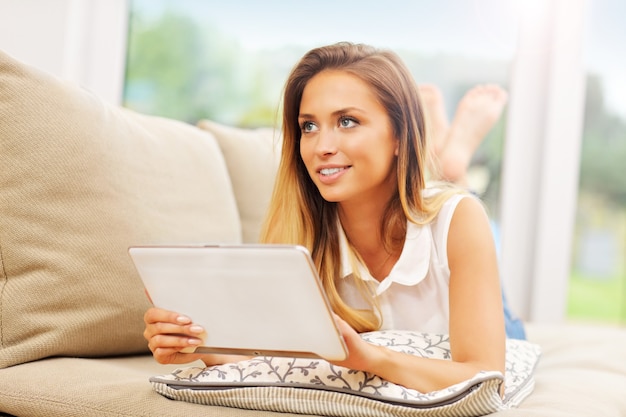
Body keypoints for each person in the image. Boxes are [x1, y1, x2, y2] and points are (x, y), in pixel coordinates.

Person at [144, 42, 507, 394]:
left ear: (399, 135)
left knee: (499, 307)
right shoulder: (299, 237)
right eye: (309, 126)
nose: (321, 147)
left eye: (347, 121)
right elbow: (274, 362)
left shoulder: (459, 220)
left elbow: (486, 375)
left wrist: (371, 358)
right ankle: (444, 155)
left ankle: (452, 163)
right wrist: (199, 344)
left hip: (467, 273)